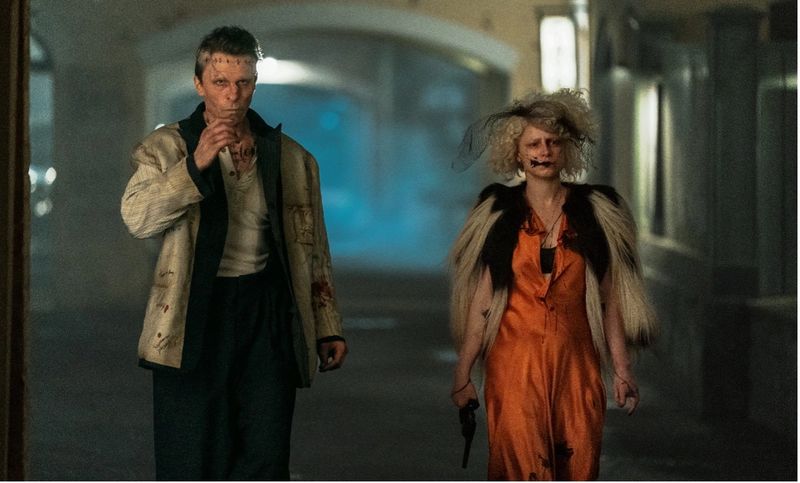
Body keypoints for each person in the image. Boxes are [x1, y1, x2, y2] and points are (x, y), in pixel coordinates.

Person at [120, 26, 347, 480]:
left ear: (255, 83)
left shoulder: (291, 158)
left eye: (243, 82)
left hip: (266, 312)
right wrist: (195, 163)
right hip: (193, 312)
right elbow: (138, 220)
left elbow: (314, 249)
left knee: (265, 452)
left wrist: (327, 326)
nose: (232, 94)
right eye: (220, 82)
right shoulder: (165, 148)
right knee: (192, 452)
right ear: (199, 84)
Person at [448, 89, 657, 480]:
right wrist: (463, 373)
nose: (543, 151)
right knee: (520, 467)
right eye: (533, 144)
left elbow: (610, 299)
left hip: (576, 368)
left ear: (566, 149)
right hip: (513, 367)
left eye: (553, 142)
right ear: (516, 152)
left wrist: (622, 369)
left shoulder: (595, 212)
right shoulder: (498, 213)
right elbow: (483, 301)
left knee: (578, 467)